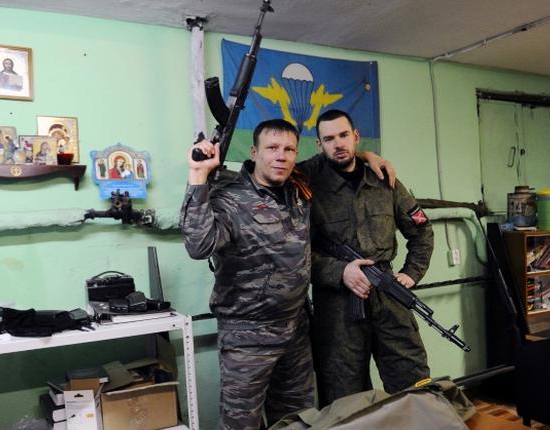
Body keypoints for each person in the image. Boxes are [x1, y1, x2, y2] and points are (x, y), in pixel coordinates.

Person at [181, 119, 314, 429]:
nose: (281, 156)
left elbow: (335, 158)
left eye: (289, 149)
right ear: (254, 152)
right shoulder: (230, 198)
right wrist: (198, 174)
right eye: (272, 148)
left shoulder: (300, 189)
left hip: (295, 331)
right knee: (242, 424)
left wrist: (368, 157)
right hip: (247, 337)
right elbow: (199, 246)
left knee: (298, 420)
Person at [308, 109, 434, 407]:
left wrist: (411, 274)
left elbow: (421, 230)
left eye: (343, 136)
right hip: (337, 305)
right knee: (344, 394)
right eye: (328, 139)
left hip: (388, 295)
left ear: (356, 137)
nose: (337, 144)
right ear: (319, 145)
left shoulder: (384, 180)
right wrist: (339, 272)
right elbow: (296, 253)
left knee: (412, 380)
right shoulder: (307, 185)